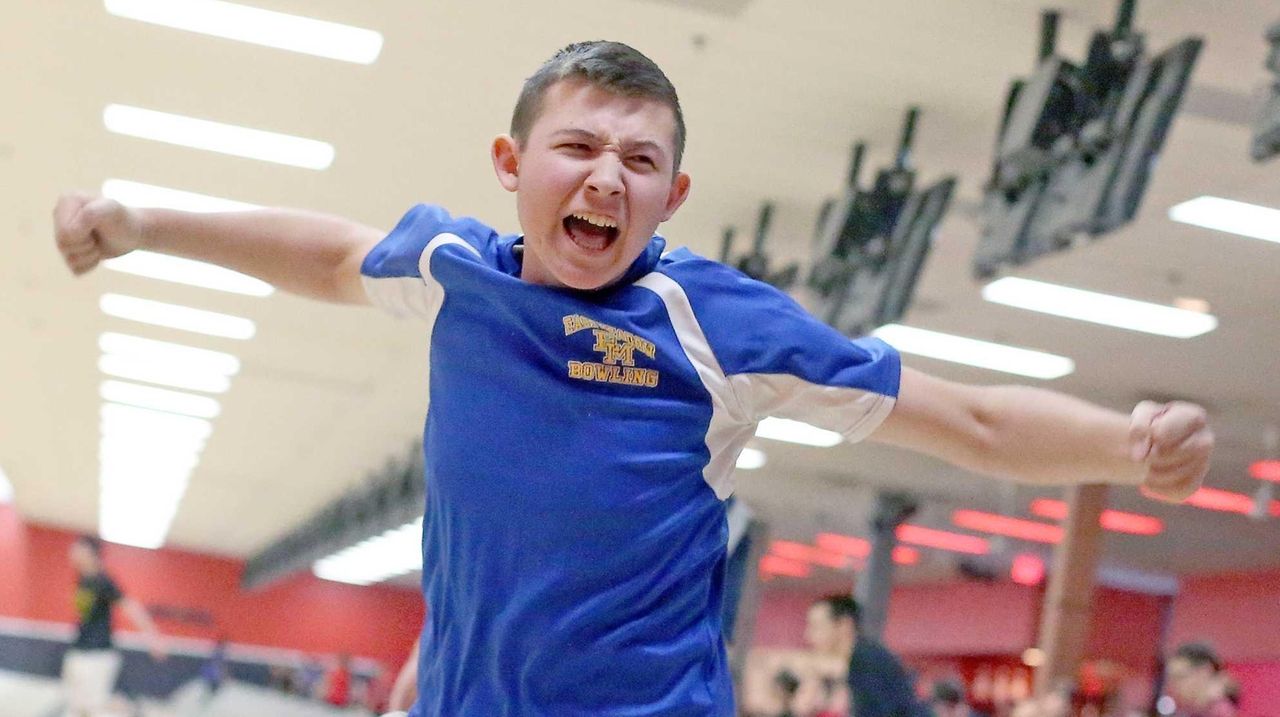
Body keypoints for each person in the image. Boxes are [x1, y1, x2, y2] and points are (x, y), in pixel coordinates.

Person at [52, 40, 1213, 716]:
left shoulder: (711, 322)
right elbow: (324, 250)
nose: (606, 178)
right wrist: (144, 219)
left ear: (672, 195)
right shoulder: (458, 273)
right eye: (578, 148)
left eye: (639, 160)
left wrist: (1126, 445)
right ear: (512, 166)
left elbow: (969, 420)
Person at [61, 534, 165, 717]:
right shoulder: (82, 579)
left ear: (89, 553)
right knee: (75, 707)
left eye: (76, 549)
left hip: (98, 654)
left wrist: (154, 638)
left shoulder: (103, 581)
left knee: (93, 708)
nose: (72, 554)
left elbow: (130, 606)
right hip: (79, 651)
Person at [806, 594, 930, 717]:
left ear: (845, 625)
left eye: (817, 627)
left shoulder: (868, 662)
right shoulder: (863, 658)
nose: (808, 636)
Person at [1164, 642, 1237, 717]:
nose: (1173, 684)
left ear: (1203, 672)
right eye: (1170, 678)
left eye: (1180, 676)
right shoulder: (1187, 709)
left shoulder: (1219, 711)